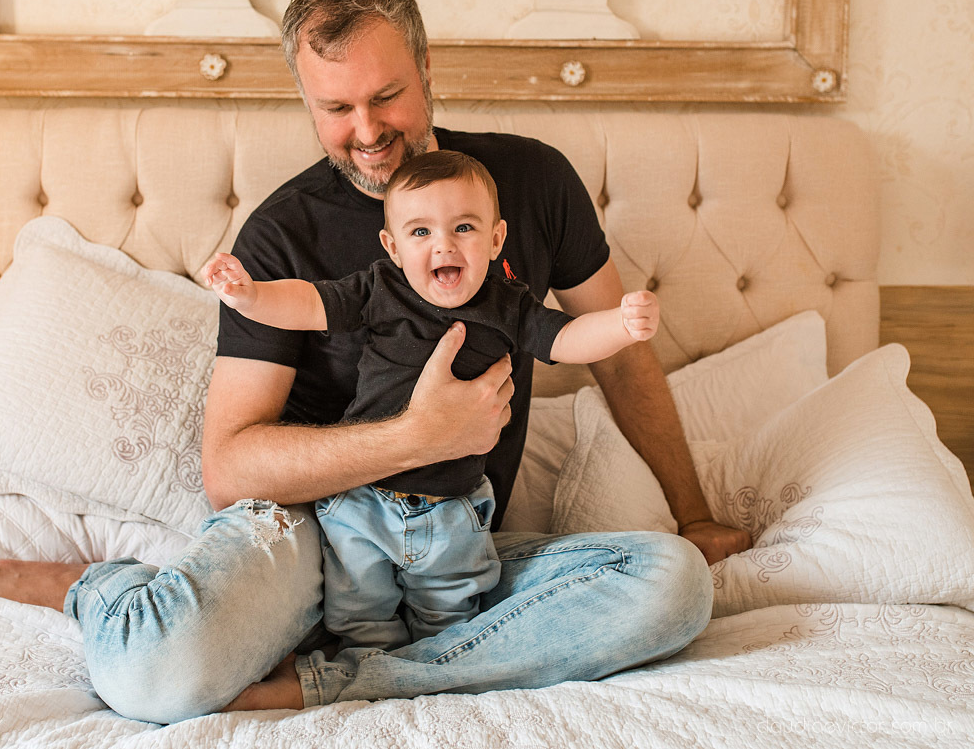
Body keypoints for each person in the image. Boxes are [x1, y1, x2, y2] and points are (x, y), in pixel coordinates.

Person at [0, 0, 751, 724]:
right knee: (151, 672)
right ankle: (99, 588)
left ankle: (342, 680)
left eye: (387, 97)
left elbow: (611, 350)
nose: (367, 133)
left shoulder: (531, 184)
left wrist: (695, 514)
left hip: (456, 539)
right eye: (335, 109)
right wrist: (417, 435)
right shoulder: (282, 234)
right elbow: (230, 468)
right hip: (307, 535)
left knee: (672, 587)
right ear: (305, 100)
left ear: (427, 69)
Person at [201, 149, 661, 652]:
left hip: (452, 508)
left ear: (496, 239)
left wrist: (620, 325)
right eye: (421, 233)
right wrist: (251, 297)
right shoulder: (381, 289)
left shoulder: (510, 305)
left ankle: (429, 676)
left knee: (450, 621)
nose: (443, 245)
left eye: (463, 228)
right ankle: (369, 673)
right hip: (361, 501)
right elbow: (310, 303)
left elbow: (567, 339)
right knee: (356, 614)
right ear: (393, 247)